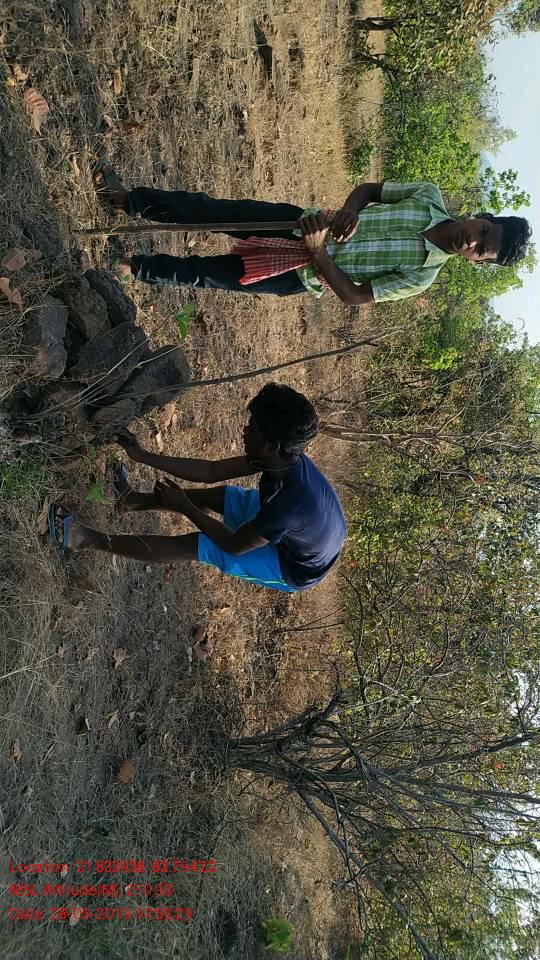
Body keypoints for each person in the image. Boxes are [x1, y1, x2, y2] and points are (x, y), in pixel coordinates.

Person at [48, 384, 346, 593]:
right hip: (306, 530)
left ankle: (85, 539)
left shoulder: (285, 505)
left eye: (252, 427)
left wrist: (185, 506)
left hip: (294, 566)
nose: (245, 430)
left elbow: (234, 545)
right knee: (220, 497)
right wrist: (142, 456)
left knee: (198, 545)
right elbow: (210, 472)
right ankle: (131, 501)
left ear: (271, 445)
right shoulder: (280, 458)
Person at [95, 164, 532, 306]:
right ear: (481, 217)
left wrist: (319, 255)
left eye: (482, 251)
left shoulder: (422, 276)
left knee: (210, 274)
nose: (472, 242)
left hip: (299, 273)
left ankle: (135, 267)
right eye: (483, 231)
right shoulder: (427, 196)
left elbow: (356, 295)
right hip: (302, 222)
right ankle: (129, 201)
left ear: (478, 262)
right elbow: (369, 191)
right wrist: (349, 210)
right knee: (213, 212)